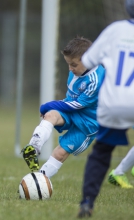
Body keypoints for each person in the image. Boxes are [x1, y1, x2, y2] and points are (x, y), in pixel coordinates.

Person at [77, 0, 134, 218]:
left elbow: (87, 61)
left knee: (101, 153)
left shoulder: (115, 29)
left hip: (113, 102)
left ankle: (87, 203)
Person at [21, 37, 105, 180]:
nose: (70, 69)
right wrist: (51, 108)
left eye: (73, 64)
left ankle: (39, 180)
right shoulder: (76, 70)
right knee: (51, 115)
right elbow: (71, 101)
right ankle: (34, 146)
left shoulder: (96, 79)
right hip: (71, 111)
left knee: (60, 153)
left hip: (88, 123)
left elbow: (79, 104)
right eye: (68, 64)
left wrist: (48, 104)